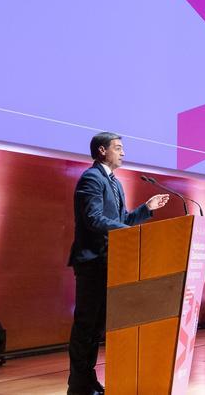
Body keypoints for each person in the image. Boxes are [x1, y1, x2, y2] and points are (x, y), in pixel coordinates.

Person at [67, 132, 171, 395]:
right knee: (86, 326)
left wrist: (146, 209)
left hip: (110, 262)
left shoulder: (116, 183)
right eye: (118, 148)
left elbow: (122, 218)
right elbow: (94, 219)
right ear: (102, 151)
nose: (123, 153)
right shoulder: (92, 178)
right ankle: (78, 384)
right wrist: (128, 231)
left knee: (97, 327)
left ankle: (86, 381)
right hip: (92, 263)